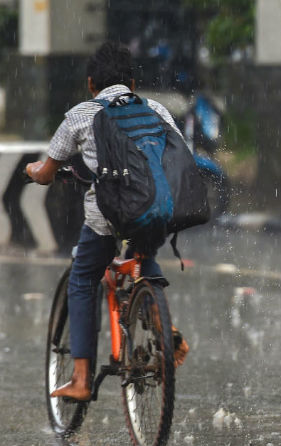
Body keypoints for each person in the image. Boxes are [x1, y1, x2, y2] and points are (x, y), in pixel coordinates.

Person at [26, 42, 191, 401]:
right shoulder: (156, 108)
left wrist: (33, 170)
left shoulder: (81, 114)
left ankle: (82, 380)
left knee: (83, 278)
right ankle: (163, 327)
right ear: (132, 82)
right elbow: (182, 155)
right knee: (144, 256)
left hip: (109, 216)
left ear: (90, 84)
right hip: (156, 209)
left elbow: (45, 172)